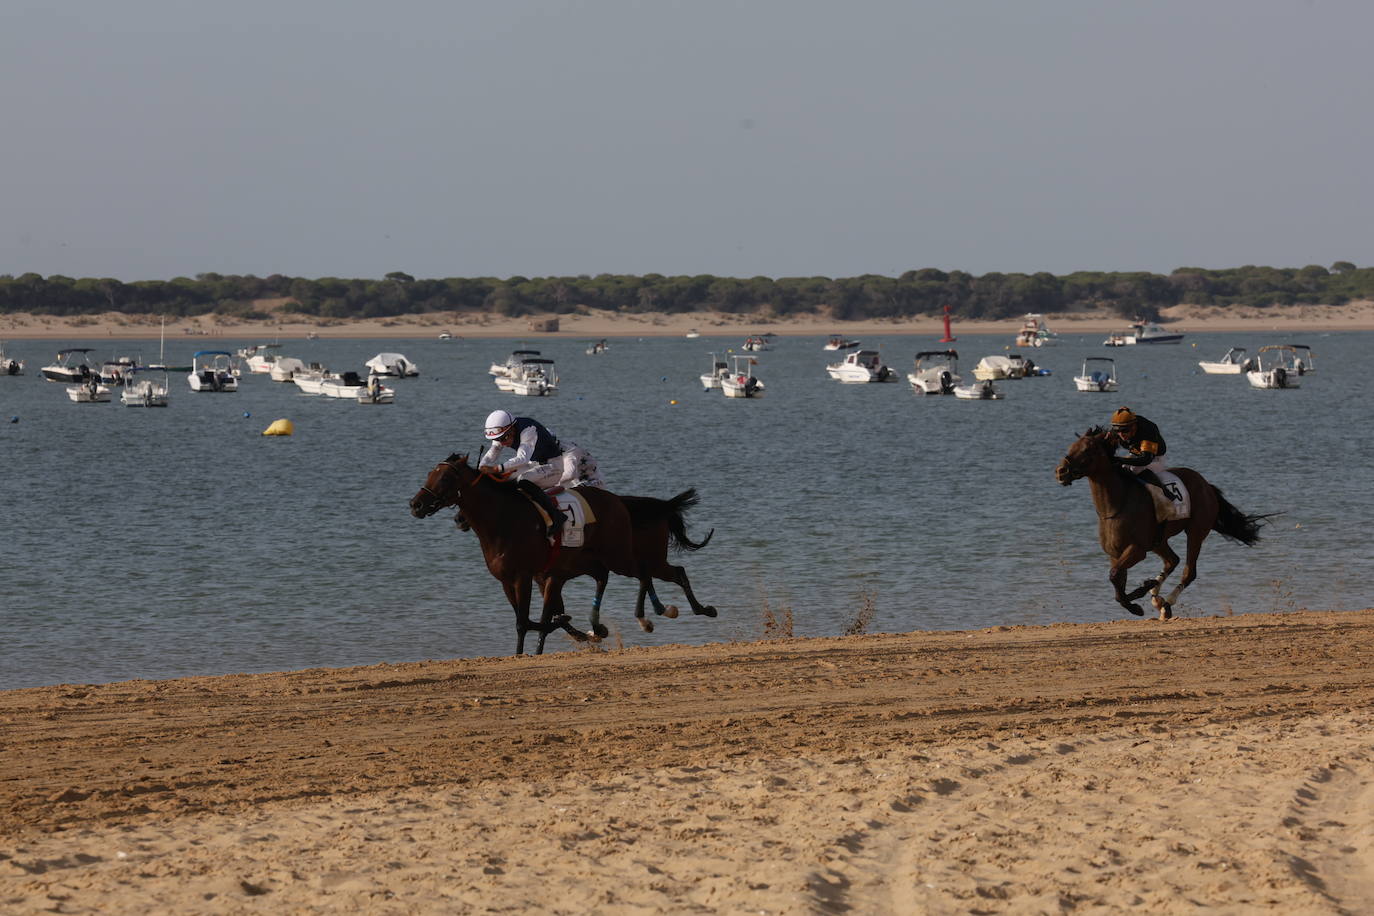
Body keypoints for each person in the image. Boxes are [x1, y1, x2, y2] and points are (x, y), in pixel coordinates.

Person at [479, 410, 605, 540]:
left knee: (524, 480)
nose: (502, 443)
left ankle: (556, 516)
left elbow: (522, 458)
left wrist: (496, 468)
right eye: (497, 439)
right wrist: (481, 467)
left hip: (554, 467)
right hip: (535, 464)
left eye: (504, 438)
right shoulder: (505, 433)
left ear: (512, 429)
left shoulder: (528, 430)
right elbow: (493, 451)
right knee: (506, 478)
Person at [1109, 406, 1179, 502]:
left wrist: (1120, 460)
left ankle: (1166, 494)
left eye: (1125, 430)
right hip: (1136, 454)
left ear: (1133, 426)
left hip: (1154, 459)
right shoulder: (1120, 429)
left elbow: (1145, 460)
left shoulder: (1147, 431)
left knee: (1134, 469)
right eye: (1117, 431)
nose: (1121, 435)